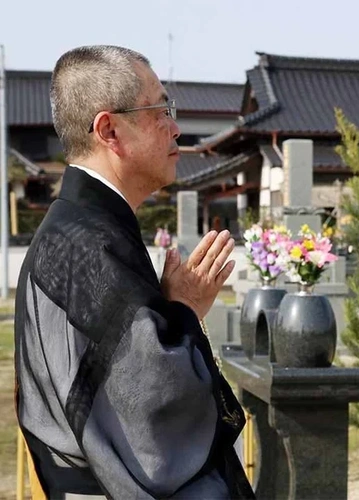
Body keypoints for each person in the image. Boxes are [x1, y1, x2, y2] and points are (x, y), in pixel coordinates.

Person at [14, 45, 255, 499]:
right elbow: (154, 422)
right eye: (161, 109)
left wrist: (170, 316)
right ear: (109, 130)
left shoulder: (82, 231)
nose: (177, 128)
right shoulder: (89, 248)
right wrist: (182, 314)